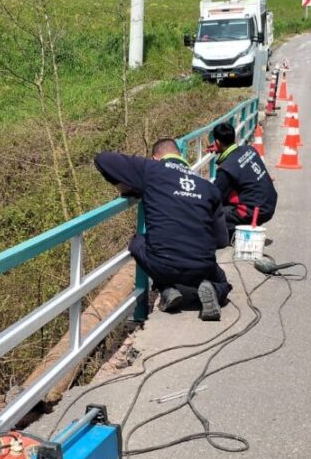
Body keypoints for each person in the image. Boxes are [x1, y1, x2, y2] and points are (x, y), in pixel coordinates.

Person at [94, 140, 231, 321]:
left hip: (163, 265)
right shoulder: (207, 187)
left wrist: (126, 187)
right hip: (201, 266)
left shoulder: (151, 170)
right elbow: (222, 240)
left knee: (139, 242)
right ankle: (213, 289)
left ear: (155, 158)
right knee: (222, 280)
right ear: (180, 157)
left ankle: (167, 289)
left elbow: (102, 159)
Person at [211, 122, 278, 241]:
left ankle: (231, 236)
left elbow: (216, 197)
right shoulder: (249, 149)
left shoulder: (226, 169)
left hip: (257, 211)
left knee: (215, 212)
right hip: (270, 202)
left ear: (217, 142)